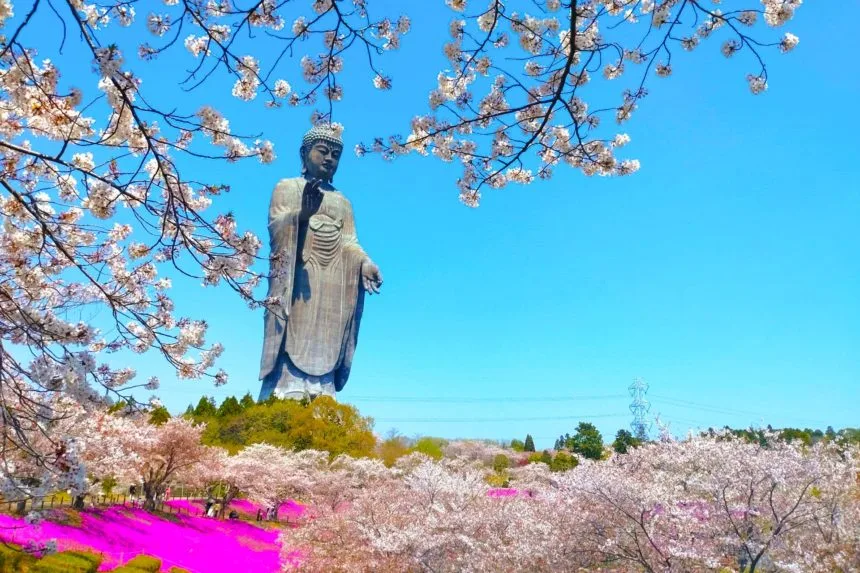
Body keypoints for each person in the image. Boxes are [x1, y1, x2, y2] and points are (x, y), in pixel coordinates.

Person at [258, 124, 383, 402]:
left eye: (336, 155)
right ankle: (286, 381)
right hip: (299, 275)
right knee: (296, 324)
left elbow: (349, 241)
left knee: (329, 329)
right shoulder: (287, 187)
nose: (329, 159)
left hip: (334, 280)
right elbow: (277, 224)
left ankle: (323, 384)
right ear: (304, 154)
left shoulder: (343, 202)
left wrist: (365, 262)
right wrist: (302, 213)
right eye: (323, 151)